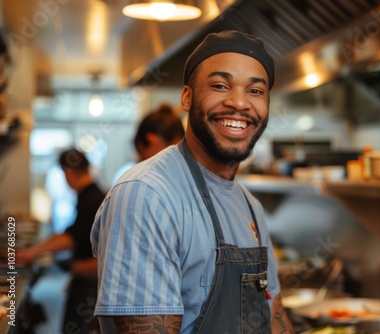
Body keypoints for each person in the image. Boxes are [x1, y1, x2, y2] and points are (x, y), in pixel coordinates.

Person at [91, 30, 295, 333]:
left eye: (255, 91)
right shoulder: (147, 195)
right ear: (187, 97)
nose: (239, 103)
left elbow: (273, 315)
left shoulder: (251, 207)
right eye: (220, 85)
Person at [19, 149, 105, 334]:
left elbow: (74, 238)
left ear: (68, 172)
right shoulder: (89, 195)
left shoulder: (92, 199)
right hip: (85, 281)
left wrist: (36, 252)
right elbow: (72, 231)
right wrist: (38, 249)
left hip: (92, 284)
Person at [111, 103, 185, 185]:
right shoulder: (188, 177)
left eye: (142, 157)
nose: (141, 164)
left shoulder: (139, 182)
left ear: (152, 141)